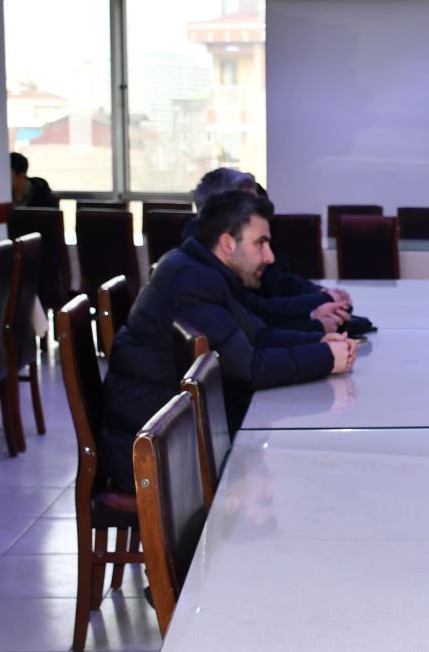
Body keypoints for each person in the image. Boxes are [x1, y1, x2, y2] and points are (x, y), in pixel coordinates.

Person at [100, 190, 355, 490]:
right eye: (261, 243)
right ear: (227, 243)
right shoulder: (191, 280)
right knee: (301, 465)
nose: (270, 257)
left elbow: (257, 335)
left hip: (170, 437)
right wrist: (327, 358)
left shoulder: (203, 271)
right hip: (154, 457)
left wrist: (320, 342)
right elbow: (249, 369)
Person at [185, 168, 352, 333]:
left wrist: (320, 294)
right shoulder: (202, 263)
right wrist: (318, 312)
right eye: (248, 204)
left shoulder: (250, 237)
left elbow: (279, 279)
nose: (269, 257)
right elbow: (257, 318)